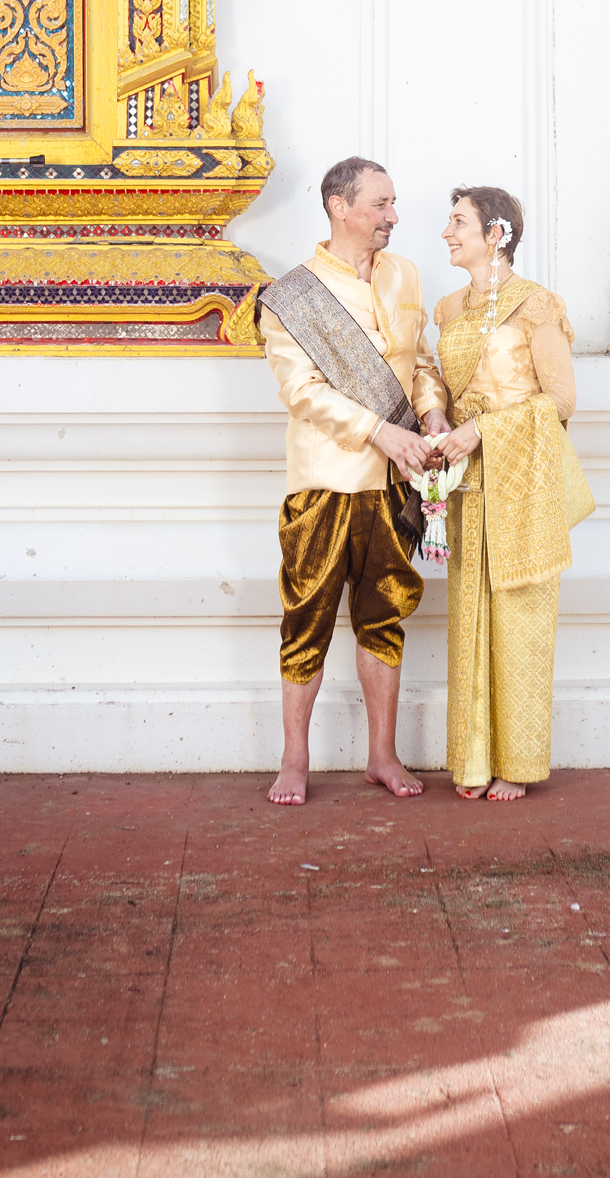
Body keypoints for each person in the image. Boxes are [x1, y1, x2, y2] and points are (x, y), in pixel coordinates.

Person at [258, 157, 442, 807]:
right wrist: (382, 433)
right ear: (340, 207)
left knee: (383, 618)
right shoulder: (292, 296)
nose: (393, 217)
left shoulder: (405, 276)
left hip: (395, 486)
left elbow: (421, 364)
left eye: (393, 205)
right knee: (306, 620)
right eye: (380, 204)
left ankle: (382, 757)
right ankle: (294, 760)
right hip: (324, 485)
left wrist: (432, 418)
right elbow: (301, 392)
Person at [423, 185, 582, 802]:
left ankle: (517, 764)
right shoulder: (446, 307)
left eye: (457, 221)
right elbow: (433, 377)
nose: (446, 232)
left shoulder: (537, 306)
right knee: (468, 620)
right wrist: (435, 414)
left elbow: (561, 400)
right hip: (465, 485)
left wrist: (482, 429)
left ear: (497, 234)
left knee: (518, 619)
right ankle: (472, 761)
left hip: (520, 480)